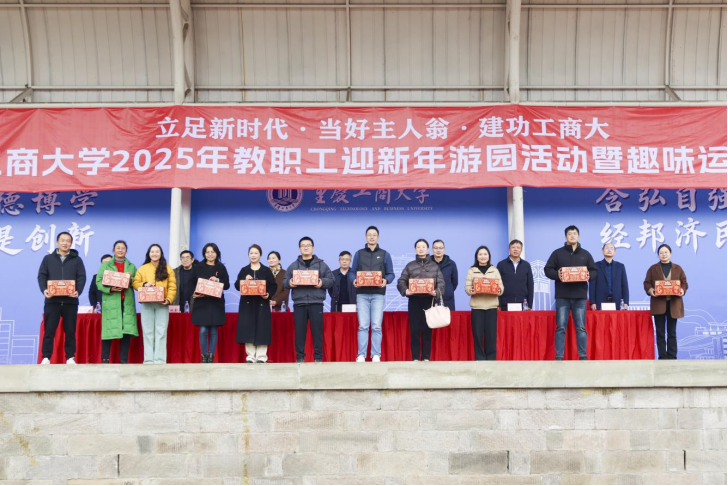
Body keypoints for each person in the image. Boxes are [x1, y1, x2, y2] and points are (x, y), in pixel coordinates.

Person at [544, 226, 598, 361]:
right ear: (565, 237)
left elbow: (594, 271)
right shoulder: (557, 253)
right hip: (562, 296)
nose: (572, 236)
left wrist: (589, 275)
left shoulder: (586, 254)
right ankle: (559, 356)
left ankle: (583, 356)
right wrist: (558, 274)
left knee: (581, 328)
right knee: (560, 327)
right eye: (569, 234)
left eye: (574, 233)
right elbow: (547, 269)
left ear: (578, 236)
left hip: (580, 297)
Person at [37, 232, 87, 365]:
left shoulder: (77, 260)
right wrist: (44, 290)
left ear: (71, 243)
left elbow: (81, 277)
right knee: (49, 330)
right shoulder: (48, 259)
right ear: (57, 242)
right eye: (62, 240)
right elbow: (42, 276)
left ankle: (70, 357)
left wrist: (78, 291)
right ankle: (46, 357)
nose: (65, 243)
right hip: (52, 301)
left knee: (70, 331)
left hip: (70, 301)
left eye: (68, 241)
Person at [283, 237, 335, 363]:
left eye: (308, 245)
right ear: (299, 249)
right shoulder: (293, 265)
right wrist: (290, 282)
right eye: (303, 245)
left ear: (313, 248)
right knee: (299, 333)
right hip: (299, 302)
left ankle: (318, 358)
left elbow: (331, 280)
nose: (305, 247)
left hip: (316, 302)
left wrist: (321, 282)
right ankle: (300, 358)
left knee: (317, 332)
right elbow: (284, 281)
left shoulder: (321, 264)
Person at [351, 226, 396, 363]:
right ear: (366, 237)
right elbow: (352, 272)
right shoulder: (359, 254)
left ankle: (376, 354)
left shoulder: (385, 254)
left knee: (376, 326)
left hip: (378, 294)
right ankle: (361, 355)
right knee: (363, 326)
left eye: (374, 235)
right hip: (362, 294)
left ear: (378, 237)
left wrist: (386, 280)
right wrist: (354, 280)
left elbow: (391, 274)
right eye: (369, 235)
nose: (371, 237)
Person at [397, 239, 445, 362]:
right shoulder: (410, 265)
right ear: (415, 249)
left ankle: (426, 357)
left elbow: (441, 283)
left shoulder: (434, 266)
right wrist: (406, 290)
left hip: (429, 300)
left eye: (423, 247)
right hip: (414, 301)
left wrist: (436, 292)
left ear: (427, 249)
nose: (421, 249)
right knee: (415, 330)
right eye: (418, 247)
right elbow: (401, 281)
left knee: (427, 329)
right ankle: (415, 357)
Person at [133, 244, 177, 365]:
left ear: (161, 254)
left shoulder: (168, 268)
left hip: (162, 305)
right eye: (152, 252)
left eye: (157, 251)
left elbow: (172, 286)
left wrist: (168, 299)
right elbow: (135, 283)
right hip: (147, 305)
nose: (154, 254)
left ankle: (160, 360)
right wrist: (144, 284)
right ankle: (148, 360)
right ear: (149, 254)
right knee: (147, 332)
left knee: (161, 332)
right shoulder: (143, 268)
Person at [644, 244, 688, 360]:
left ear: (670, 253)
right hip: (658, 304)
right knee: (660, 332)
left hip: (674, 304)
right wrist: (651, 290)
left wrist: (682, 290)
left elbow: (684, 283)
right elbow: (647, 283)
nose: (663, 254)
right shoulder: (653, 269)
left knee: (672, 332)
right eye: (661, 253)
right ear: (658, 255)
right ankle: (662, 357)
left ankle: (672, 356)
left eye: (666, 252)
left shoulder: (678, 268)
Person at [96, 240, 138, 365]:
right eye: (118, 248)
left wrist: (130, 280)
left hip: (126, 303)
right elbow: (98, 282)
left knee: (126, 331)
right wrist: (110, 289)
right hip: (111, 302)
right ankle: (105, 359)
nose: (120, 250)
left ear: (126, 251)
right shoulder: (106, 265)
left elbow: (136, 282)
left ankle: (123, 360)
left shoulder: (131, 266)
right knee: (108, 330)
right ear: (113, 250)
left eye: (123, 248)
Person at [235, 244, 277, 364]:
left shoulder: (266, 270)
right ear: (248, 255)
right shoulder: (244, 270)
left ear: (260, 255)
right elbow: (237, 285)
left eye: (256, 253)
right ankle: (250, 356)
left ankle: (261, 356)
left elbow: (273, 285)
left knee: (262, 329)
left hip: (262, 303)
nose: (253, 255)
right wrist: (244, 280)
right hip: (247, 304)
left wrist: (268, 294)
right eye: (251, 253)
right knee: (248, 328)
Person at [191, 243, 230, 363]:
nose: (210, 254)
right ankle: (204, 356)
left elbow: (227, 285)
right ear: (204, 254)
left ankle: (211, 356)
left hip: (216, 303)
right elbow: (192, 283)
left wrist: (218, 280)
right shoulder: (198, 267)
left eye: (212, 252)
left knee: (214, 330)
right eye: (207, 252)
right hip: (202, 303)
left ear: (217, 253)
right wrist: (194, 293)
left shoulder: (221, 268)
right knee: (203, 330)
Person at [466, 246, 505, 361]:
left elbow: (501, 287)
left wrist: (498, 290)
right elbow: (467, 287)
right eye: (480, 254)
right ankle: (479, 358)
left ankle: (491, 358)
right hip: (477, 307)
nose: (483, 256)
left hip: (491, 307)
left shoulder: (495, 270)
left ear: (489, 256)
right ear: (477, 257)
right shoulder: (472, 270)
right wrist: (470, 290)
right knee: (477, 335)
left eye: (485, 254)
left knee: (491, 335)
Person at [589, 243, 630, 311]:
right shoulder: (596, 266)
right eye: (607, 248)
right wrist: (592, 302)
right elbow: (592, 285)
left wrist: (626, 302)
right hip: (600, 301)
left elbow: (624, 285)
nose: (609, 250)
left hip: (617, 301)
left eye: (611, 248)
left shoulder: (620, 266)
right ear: (602, 251)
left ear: (615, 252)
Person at [496, 239, 534, 311]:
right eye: (513, 247)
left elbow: (530, 285)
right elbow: (497, 285)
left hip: (523, 304)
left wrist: (529, 304)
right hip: (505, 303)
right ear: (509, 249)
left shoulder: (526, 265)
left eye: (518, 247)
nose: (515, 249)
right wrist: (498, 303)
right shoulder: (501, 265)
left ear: (521, 250)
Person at [431, 240, 459, 311]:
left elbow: (454, 282)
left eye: (441, 248)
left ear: (444, 249)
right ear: (432, 249)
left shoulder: (451, 264)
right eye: (436, 248)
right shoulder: (427, 264)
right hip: (430, 299)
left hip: (447, 299)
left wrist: (448, 291)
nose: (438, 250)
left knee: (448, 318)